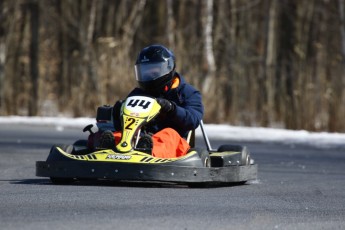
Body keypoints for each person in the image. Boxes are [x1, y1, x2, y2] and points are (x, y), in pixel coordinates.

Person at [99, 44, 204, 158]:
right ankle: (107, 150)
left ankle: (148, 151)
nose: (149, 74)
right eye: (145, 71)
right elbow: (124, 124)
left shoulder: (186, 92)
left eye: (154, 70)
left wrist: (171, 109)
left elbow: (193, 119)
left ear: (168, 67)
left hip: (174, 139)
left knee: (168, 135)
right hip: (141, 135)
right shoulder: (138, 93)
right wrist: (119, 111)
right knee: (119, 135)